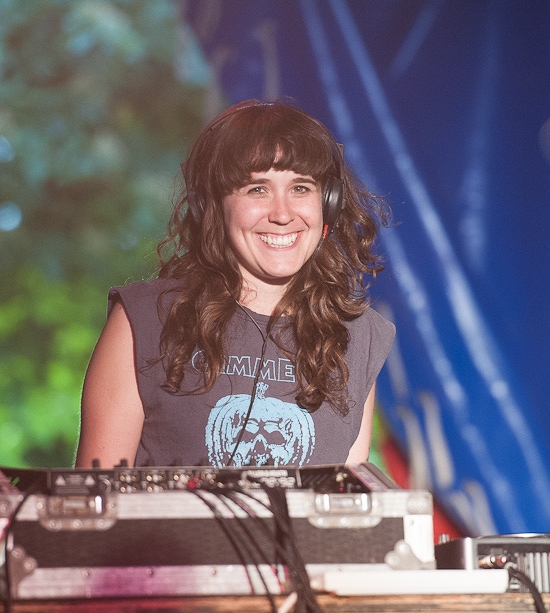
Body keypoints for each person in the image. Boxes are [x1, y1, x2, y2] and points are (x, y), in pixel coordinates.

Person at [75, 99, 395, 469]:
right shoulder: (144, 319)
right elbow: (93, 506)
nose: (282, 214)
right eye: (257, 189)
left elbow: (342, 511)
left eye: (301, 188)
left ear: (329, 204)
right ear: (210, 207)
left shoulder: (358, 336)